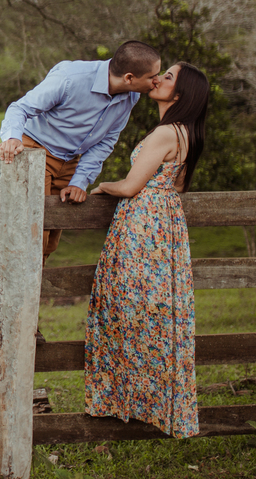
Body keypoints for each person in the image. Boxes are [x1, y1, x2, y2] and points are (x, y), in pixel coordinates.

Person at [83, 61, 210, 438]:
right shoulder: (187, 133)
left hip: (143, 224)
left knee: (126, 306)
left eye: (167, 77)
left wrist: (102, 186)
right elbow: (178, 185)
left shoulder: (165, 133)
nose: (158, 79)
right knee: (157, 311)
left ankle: (126, 399)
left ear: (180, 94)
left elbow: (129, 186)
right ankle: (152, 402)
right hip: (166, 222)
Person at [0, 41, 162, 266]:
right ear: (129, 77)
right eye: (153, 76)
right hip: (35, 152)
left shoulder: (131, 96)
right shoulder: (71, 78)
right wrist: (12, 138)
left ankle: (33, 286)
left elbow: (106, 141)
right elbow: (20, 108)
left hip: (70, 161)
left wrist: (79, 181)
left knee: (51, 241)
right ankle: (14, 287)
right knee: (34, 236)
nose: (157, 81)